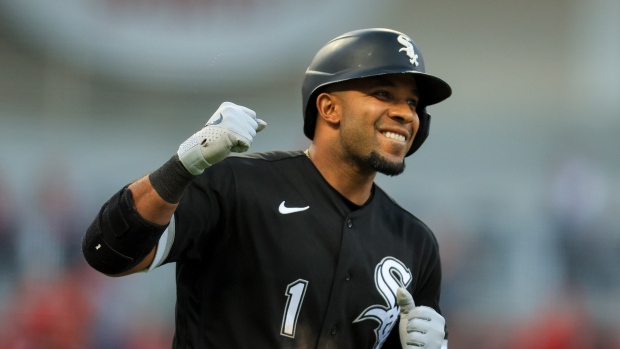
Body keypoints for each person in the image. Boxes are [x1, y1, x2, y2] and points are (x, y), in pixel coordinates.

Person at [82, 28, 452, 349]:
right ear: (329, 108)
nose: (406, 113)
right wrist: (182, 168)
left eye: (413, 102)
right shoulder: (238, 184)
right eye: (384, 94)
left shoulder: (415, 242)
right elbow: (108, 253)